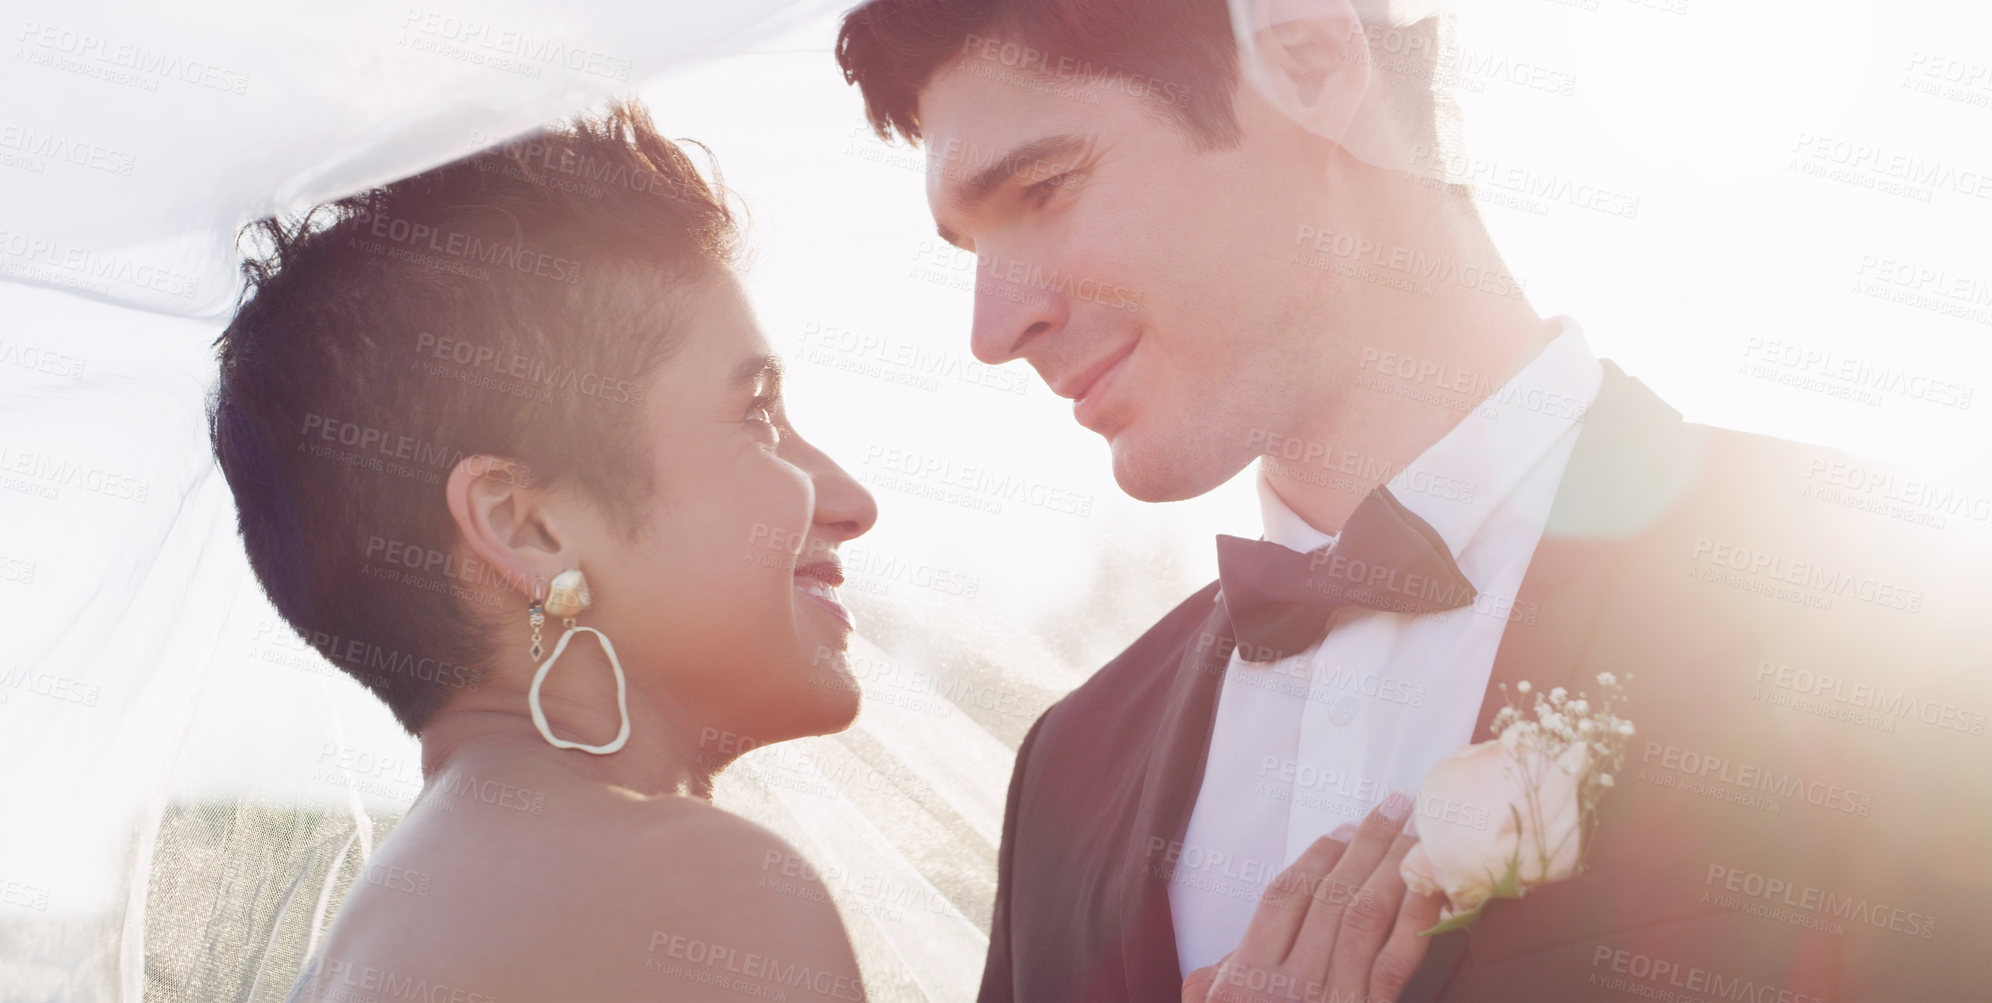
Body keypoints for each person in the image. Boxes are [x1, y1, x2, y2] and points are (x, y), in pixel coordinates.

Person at [835, 1, 1991, 1000]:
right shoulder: (1069, 768)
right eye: (967, 249)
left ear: (1309, 62)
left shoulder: (1874, 589)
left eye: (1044, 188)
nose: (991, 330)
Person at [211, 103, 883, 1002]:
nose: (849, 501)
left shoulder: (368, 945)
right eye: (754, 415)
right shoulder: (692, 894)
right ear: (527, 526)